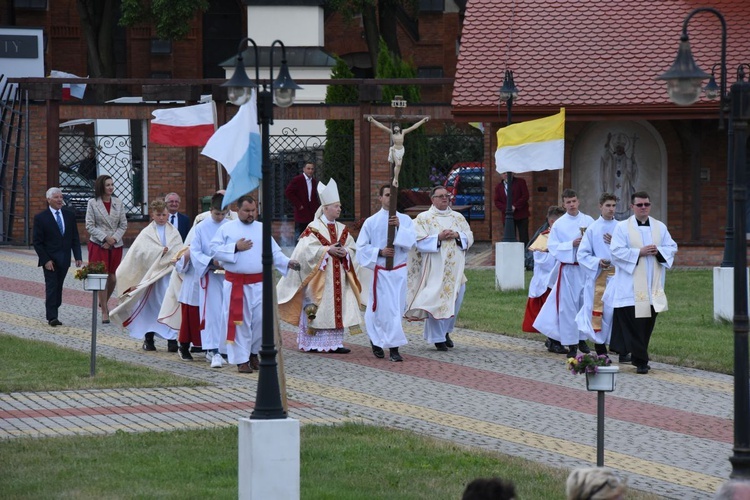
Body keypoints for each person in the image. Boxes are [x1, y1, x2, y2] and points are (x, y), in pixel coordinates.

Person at [211, 194, 297, 373]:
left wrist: (287, 262)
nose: (251, 214)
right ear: (237, 209)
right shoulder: (227, 229)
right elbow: (214, 250)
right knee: (239, 322)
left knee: (260, 321)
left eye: (253, 210)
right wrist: (235, 247)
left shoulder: (261, 228)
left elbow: (275, 252)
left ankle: (253, 353)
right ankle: (241, 360)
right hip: (237, 284)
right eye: (246, 211)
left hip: (259, 284)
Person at [277, 178, 363, 354]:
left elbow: (353, 247)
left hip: (338, 276)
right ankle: (313, 343)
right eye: (336, 206)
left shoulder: (342, 228)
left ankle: (335, 343)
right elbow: (304, 250)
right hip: (320, 279)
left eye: (339, 206)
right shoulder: (313, 227)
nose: (340, 209)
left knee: (337, 306)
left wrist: (345, 252)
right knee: (319, 308)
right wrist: (326, 250)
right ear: (325, 208)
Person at [608, 191, 677, 374]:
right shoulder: (623, 228)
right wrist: (639, 252)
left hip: (652, 286)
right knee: (634, 325)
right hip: (630, 288)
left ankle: (639, 357)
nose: (643, 207)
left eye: (646, 204)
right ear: (632, 207)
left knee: (646, 325)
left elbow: (672, 247)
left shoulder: (659, 227)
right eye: (639, 205)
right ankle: (641, 361)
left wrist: (658, 250)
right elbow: (615, 252)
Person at [405, 185, 474, 351]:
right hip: (434, 268)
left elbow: (469, 235)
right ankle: (438, 338)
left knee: (456, 298)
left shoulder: (458, 217)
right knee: (436, 301)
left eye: (447, 196)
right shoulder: (423, 218)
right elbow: (418, 241)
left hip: (456, 269)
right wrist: (439, 237)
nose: (445, 198)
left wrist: (458, 235)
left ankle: (446, 331)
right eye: (441, 196)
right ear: (432, 199)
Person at [110, 198, 183, 352]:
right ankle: (148, 338)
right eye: (158, 215)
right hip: (150, 277)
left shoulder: (174, 232)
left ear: (168, 214)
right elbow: (139, 252)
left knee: (168, 304)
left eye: (164, 215)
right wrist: (158, 252)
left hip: (166, 276)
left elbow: (179, 250)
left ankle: (171, 340)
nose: (162, 218)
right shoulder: (147, 233)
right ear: (153, 215)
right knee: (149, 307)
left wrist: (171, 255)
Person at [356, 185, 416, 362]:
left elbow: (411, 243)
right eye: (387, 195)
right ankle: (386, 345)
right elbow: (361, 248)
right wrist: (379, 252)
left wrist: (399, 228)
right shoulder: (371, 222)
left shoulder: (404, 220)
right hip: (381, 272)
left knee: (396, 309)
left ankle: (388, 343)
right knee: (381, 309)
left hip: (398, 272)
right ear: (380, 198)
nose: (390, 198)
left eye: (393, 195)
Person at [533, 189, 595, 357]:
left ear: (578, 201)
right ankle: (571, 344)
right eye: (568, 202)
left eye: (574, 201)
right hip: (568, 269)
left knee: (585, 304)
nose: (572, 205)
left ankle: (582, 338)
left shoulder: (588, 220)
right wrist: (571, 244)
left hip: (584, 269)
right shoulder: (559, 224)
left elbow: (595, 240)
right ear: (563, 204)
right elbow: (553, 247)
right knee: (567, 309)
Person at [575, 193, 622, 358]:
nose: (611, 209)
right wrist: (597, 262)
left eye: (613, 206)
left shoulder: (621, 227)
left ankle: (621, 348)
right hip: (599, 277)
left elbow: (629, 250)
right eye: (608, 205)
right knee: (599, 313)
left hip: (618, 277)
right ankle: (601, 349)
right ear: (600, 206)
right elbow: (582, 254)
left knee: (618, 312)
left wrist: (615, 242)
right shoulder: (593, 229)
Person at [190, 193, 232, 367]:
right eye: (217, 214)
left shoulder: (230, 226)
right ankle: (213, 349)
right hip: (211, 275)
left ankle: (226, 349)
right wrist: (210, 261)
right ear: (210, 210)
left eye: (223, 214)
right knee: (212, 313)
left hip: (228, 276)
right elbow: (195, 251)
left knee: (227, 312)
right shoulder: (201, 227)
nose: (220, 217)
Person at [33, 187, 83, 326]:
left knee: (58, 286)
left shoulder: (69, 215)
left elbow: (75, 237)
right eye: (56, 197)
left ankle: (55, 307)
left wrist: (78, 256)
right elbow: (37, 242)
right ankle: (52, 317)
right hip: (50, 260)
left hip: (64, 259)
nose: (60, 200)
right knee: (52, 286)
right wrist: (46, 260)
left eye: (61, 197)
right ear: (48, 200)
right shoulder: (41, 218)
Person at [522, 205, 566, 354]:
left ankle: (554, 339)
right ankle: (554, 341)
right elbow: (541, 261)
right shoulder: (544, 237)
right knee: (552, 312)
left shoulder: (565, 237)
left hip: (563, 279)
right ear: (552, 222)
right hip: (548, 281)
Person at [85, 175, 128, 324]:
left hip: (115, 245)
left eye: (112, 185)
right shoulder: (92, 203)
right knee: (101, 278)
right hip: (99, 245)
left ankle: (104, 300)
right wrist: (105, 238)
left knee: (113, 277)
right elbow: (90, 225)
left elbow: (123, 224)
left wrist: (113, 239)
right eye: (107, 185)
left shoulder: (118, 203)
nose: (110, 187)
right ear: (101, 187)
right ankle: (104, 309)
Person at [367, 115, 429, 187]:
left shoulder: (403, 132)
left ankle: (395, 179)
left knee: (399, 166)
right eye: (395, 127)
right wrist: (373, 120)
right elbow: (382, 126)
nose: (396, 128)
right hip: (394, 150)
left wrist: (423, 121)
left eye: (397, 127)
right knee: (398, 164)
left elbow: (414, 127)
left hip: (401, 150)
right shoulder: (391, 133)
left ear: (399, 128)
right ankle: (395, 179)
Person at [285, 162, 320, 241]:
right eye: (308, 168)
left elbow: (313, 197)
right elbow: (288, 192)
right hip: (301, 212)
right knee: (300, 235)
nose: (310, 171)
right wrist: (299, 205)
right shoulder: (298, 179)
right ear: (304, 169)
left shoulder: (314, 181)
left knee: (310, 235)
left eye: (312, 169)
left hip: (311, 213)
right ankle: (298, 251)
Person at [493, 171, 530, 246]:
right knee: (510, 238)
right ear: (500, 175)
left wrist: (515, 206)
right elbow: (497, 201)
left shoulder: (521, 182)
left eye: (508, 172)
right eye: (504, 173)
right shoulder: (498, 187)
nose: (506, 174)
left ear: (513, 173)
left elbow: (525, 196)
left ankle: (525, 254)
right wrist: (507, 209)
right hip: (507, 216)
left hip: (521, 214)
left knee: (524, 237)